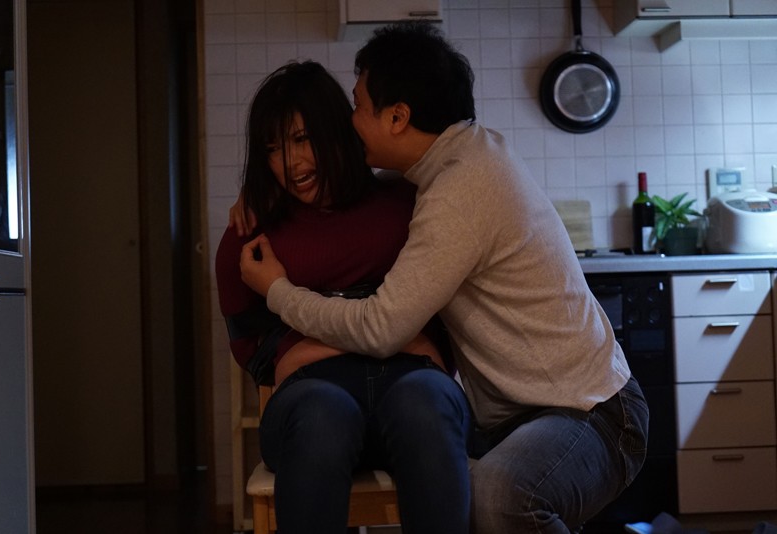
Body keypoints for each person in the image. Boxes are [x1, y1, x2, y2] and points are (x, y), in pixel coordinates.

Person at [236, 23, 650, 534]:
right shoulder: (463, 155)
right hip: (521, 417)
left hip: (591, 412)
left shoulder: (459, 190)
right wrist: (272, 191)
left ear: (397, 117)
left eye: (358, 105)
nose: (350, 120)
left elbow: (381, 328)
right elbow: (365, 191)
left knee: (499, 494)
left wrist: (278, 291)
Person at [215, 60, 471, 534]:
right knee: (322, 416)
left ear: (337, 127)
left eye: (302, 138)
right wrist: (383, 334)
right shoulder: (251, 231)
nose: (291, 164)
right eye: (273, 149)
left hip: (413, 382)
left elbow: (452, 312)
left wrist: (313, 339)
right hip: (310, 398)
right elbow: (249, 347)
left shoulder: (410, 203)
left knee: (425, 405)